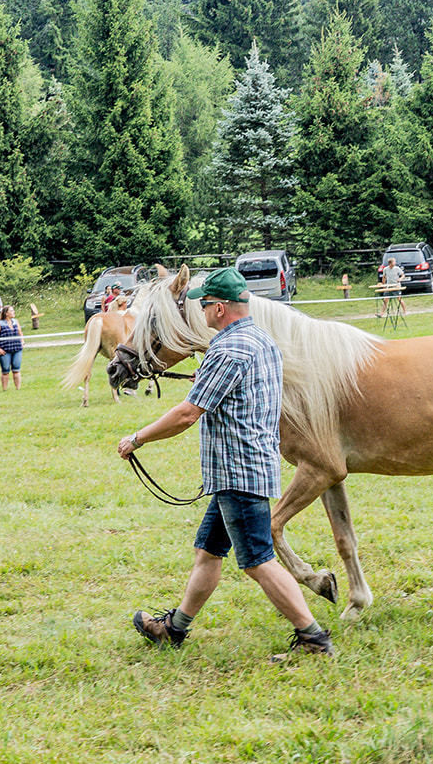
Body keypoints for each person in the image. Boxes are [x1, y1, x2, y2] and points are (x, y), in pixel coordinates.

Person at [119, 266, 333, 660]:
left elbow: (187, 414)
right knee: (208, 552)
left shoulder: (228, 350)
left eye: (204, 305)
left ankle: (314, 639)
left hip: (239, 474)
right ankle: (174, 629)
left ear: (219, 308)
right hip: (242, 470)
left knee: (258, 562)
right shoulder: (261, 341)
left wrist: (138, 438)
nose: (200, 312)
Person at [0, 304, 23, 390]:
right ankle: (5, 389)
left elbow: (20, 332)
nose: (14, 312)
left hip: (17, 349)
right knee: (5, 370)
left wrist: (22, 341)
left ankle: (18, 388)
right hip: (5, 350)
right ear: (6, 313)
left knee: (16, 369)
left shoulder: (15, 322)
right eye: (11, 311)